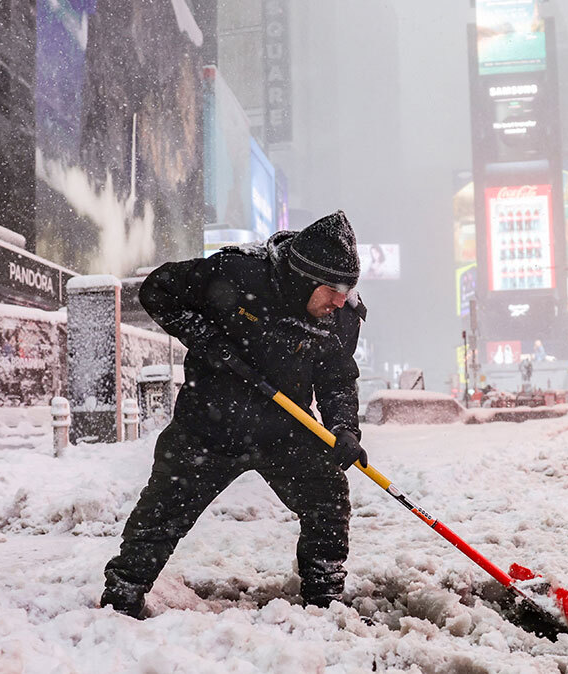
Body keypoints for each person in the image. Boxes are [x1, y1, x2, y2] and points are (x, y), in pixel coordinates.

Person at [100, 211, 369, 619]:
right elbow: (158, 290)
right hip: (209, 427)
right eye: (332, 288)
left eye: (348, 288)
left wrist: (344, 427)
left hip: (287, 430)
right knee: (163, 513)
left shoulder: (341, 317)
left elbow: (336, 378)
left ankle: (324, 598)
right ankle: (123, 593)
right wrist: (204, 338)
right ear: (304, 277)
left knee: (328, 498)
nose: (340, 299)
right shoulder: (237, 273)